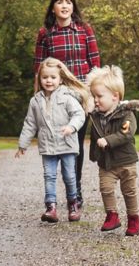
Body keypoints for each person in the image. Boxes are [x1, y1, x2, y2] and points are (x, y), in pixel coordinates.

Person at [34, 0, 100, 208]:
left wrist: (94, 96)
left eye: (68, 2)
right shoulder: (46, 34)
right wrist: (38, 99)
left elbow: (95, 65)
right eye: (60, 2)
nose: (65, 6)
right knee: (55, 144)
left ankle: (76, 192)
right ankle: (56, 192)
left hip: (81, 95)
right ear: (53, 7)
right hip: (56, 98)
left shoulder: (84, 30)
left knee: (76, 144)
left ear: (73, 7)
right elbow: (39, 69)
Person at [16, 58, 89, 223]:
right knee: (49, 176)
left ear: (60, 79)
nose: (48, 81)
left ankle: (73, 204)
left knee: (69, 176)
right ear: (39, 79)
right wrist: (23, 144)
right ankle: (51, 207)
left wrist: (71, 127)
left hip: (67, 144)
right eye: (45, 77)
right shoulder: (35, 101)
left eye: (53, 77)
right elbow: (30, 123)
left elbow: (79, 115)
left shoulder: (68, 97)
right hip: (48, 146)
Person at [88, 65, 139, 236]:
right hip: (107, 163)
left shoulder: (126, 114)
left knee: (129, 191)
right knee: (105, 188)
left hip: (126, 161)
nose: (96, 100)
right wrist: (93, 155)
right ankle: (112, 216)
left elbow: (126, 133)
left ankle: (134, 218)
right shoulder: (96, 116)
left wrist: (108, 141)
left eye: (99, 96)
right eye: (94, 96)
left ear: (115, 96)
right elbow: (95, 138)